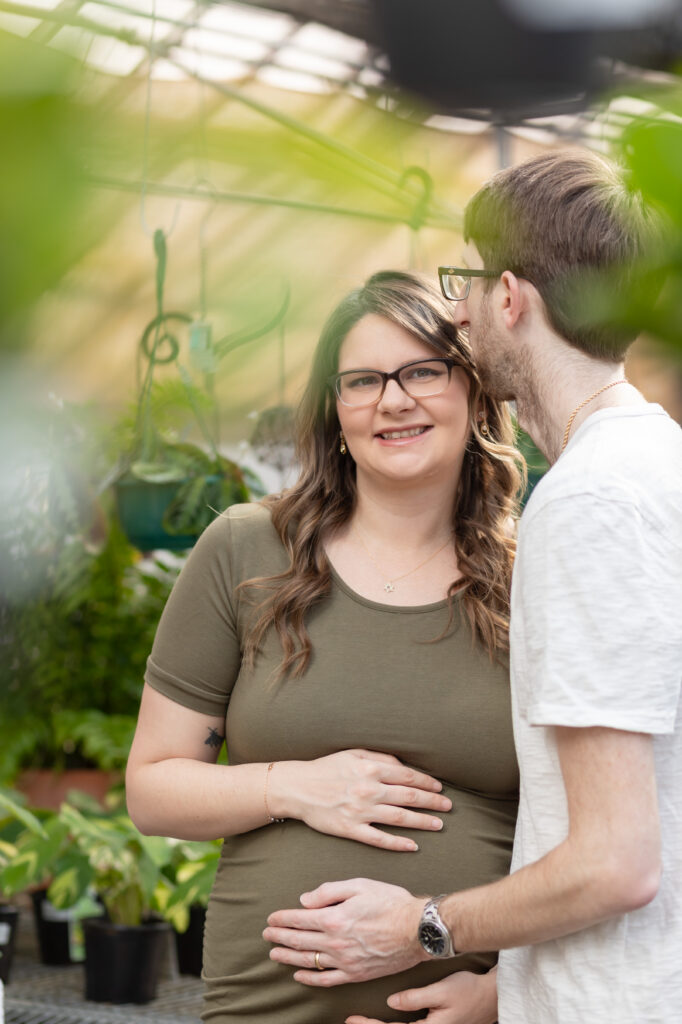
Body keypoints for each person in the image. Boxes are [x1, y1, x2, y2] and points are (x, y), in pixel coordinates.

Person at [263, 150, 682, 1024]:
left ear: (512, 296)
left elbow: (617, 861)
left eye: (467, 280)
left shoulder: (589, 501)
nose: (455, 310)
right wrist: (505, 988)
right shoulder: (658, 462)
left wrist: (423, 925)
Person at [125, 270, 524, 1024]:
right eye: (362, 380)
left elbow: (596, 836)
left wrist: (500, 996)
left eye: (422, 372)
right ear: (334, 412)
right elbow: (152, 789)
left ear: (473, 391)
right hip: (264, 1008)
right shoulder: (246, 549)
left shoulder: (533, 580)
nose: (393, 400)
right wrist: (293, 786)